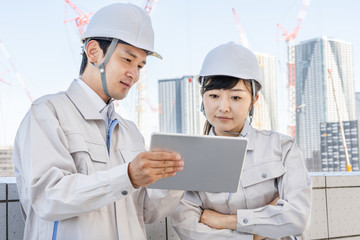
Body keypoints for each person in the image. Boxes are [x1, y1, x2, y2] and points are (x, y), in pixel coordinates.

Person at [13, 3, 185, 240]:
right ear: (93, 52)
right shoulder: (47, 112)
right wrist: (127, 176)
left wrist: (176, 179)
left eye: (140, 66)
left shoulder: (130, 131)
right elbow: (47, 198)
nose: (134, 74)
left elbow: (144, 212)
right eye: (127, 59)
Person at [170, 42, 312, 240]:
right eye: (213, 96)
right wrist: (257, 233)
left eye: (236, 98)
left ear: (253, 100)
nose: (223, 107)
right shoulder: (187, 158)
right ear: (202, 97)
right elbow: (189, 228)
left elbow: (297, 218)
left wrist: (226, 221)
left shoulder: (282, 148)